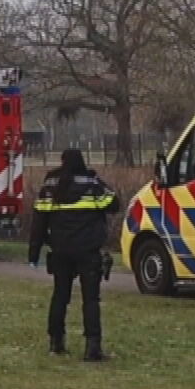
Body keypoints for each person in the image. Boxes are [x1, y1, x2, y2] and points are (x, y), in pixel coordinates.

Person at [27, 148, 119, 361]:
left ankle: (56, 342)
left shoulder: (51, 184)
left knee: (60, 296)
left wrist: (34, 252)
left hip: (60, 250)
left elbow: (39, 221)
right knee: (90, 299)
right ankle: (92, 348)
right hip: (88, 251)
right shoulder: (91, 183)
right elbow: (114, 204)